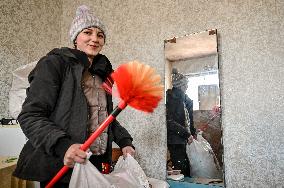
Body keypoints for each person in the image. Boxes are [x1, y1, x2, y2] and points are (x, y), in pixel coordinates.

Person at [13, 5, 135, 187]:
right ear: (75, 38)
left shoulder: (105, 75)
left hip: (96, 163)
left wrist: (125, 141)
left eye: (100, 35)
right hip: (61, 164)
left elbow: (106, 118)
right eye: (87, 32)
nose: (94, 39)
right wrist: (64, 146)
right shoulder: (53, 64)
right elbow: (30, 115)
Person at [166, 68, 196, 177]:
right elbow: (169, 122)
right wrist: (187, 134)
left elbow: (189, 119)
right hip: (176, 140)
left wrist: (193, 132)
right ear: (181, 85)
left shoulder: (184, 99)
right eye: (186, 84)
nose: (187, 87)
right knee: (182, 169)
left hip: (181, 139)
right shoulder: (172, 98)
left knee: (185, 167)